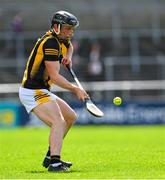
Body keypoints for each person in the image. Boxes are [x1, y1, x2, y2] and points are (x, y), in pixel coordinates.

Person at [19, 10, 88, 172]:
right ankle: (55, 164)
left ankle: (51, 156)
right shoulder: (51, 42)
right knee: (58, 121)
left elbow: (69, 45)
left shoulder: (61, 39)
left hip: (42, 90)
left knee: (70, 117)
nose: (71, 32)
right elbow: (55, 77)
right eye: (67, 28)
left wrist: (69, 57)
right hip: (32, 91)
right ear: (57, 27)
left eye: (72, 29)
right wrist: (75, 89)